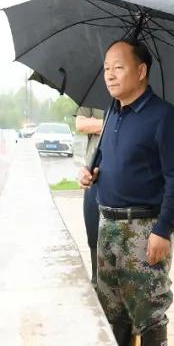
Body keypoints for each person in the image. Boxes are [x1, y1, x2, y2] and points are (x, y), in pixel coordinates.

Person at [79, 38, 174, 346]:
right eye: (107, 67)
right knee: (114, 311)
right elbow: (110, 161)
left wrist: (163, 230)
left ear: (141, 71)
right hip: (108, 225)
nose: (109, 74)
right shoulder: (113, 114)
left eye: (119, 66)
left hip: (144, 229)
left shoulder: (164, 117)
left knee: (150, 312)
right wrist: (92, 173)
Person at [75, 106, 105, 282]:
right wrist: (112, 123)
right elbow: (81, 124)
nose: (110, 76)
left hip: (123, 183)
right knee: (94, 236)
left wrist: (97, 125)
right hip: (93, 177)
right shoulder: (93, 95)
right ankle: (97, 281)